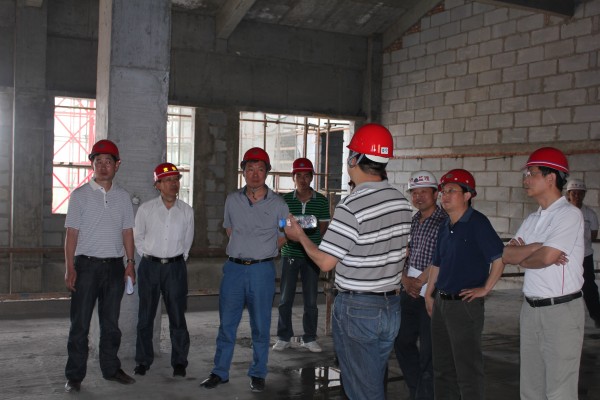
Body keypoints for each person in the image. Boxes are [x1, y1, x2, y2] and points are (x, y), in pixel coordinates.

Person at [284, 123, 412, 400]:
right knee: (372, 379)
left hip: (359, 308)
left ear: (355, 159)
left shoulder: (352, 205)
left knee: (362, 389)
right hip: (391, 306)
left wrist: (299, 236)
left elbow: (326, 262)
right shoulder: (401, 202)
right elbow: (403, 252)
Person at [200, 147, 289, 393]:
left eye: (260, 169)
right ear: (243, 172)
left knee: (260, 325)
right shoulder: (232, 200)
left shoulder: (279, 204)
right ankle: (219, 372)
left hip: (262, 271)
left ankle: (258, 373)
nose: (255, 174)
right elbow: (230, 230)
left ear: (267, 172)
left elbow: (283, 235)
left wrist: (263, 250)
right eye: (250, 169)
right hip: (234, 270)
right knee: (227, 324)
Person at [503, 147, 585, 400]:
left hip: (560, 312)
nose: (526, 179)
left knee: (559, 390)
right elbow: (506, 255)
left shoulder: (569, 215)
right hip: (530, 309)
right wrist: (537, 248)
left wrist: (527, 255)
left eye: (531, 173)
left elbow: (547, 257)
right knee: (531, 388)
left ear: (551, 178)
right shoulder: (532, 219)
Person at [423, 169, 504, 400]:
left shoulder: (477, 223)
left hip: (464, 305)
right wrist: (429, 294)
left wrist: (485, 289)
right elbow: (437, 263)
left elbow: (499, 259)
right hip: (441, 302)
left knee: (467, 369)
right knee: (442, 368)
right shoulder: (444, 225)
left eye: (452, 191)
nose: (445, 196)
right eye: (443, 191)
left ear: (467, 195)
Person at [63, 139, 136, 392]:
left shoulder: (123, 197)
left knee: (111, 324)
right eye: (98, 161)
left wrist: (130, 263)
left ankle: (111, 369)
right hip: (86, 267)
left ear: (117, 165)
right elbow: (71, 234)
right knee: (80, 324)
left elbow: (127, 232)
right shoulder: (80, 196)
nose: (103, 166)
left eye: (108, 161)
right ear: (92, 165)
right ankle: (74, 376)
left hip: (115, 268)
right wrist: (70, 267)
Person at [133, 163, 194, 378]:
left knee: (177, 316)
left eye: (176, 180)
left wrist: (176, 260)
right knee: (146, 317)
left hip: (175, 268)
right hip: (149, 267)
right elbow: (138, 237)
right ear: (157, 185)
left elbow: (187, 242)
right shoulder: (146, 209)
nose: (173, 184)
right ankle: (143, 361)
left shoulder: (186, 211)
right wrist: (149, 256)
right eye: (167, 180)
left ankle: (179, 362)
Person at [394, 171, 447, 400]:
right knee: (401, 341)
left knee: (429, 351)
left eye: (423, 192)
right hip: (409, 292)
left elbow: (442, 257)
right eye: (414, 193)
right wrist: (406, 280)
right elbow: (407, 253)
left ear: (435, 194)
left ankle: (426, 394)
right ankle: (417, 389)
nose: (418, 197)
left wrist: (421, 281)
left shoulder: (445, 222)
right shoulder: (414, 220)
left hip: (431, 294)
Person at [273, 158, 330, 353]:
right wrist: (292, 229)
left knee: (311, 299)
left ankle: (309, 337)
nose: (303, 180)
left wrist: (306, 239)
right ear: (293, 177)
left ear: (312, 177)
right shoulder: (285, 200)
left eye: (307, 176)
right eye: (299, 176)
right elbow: (281, 224)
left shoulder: (321, 200)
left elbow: (323, 226)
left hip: (312, 256)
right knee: (285, 298)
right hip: (289, 253)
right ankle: (283, 337)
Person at [566, 178, 600, 328]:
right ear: (568, 194)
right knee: (565, 286)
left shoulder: (590, 214)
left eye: (580, 193)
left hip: (585, 256)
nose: (577, 196)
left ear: (584, 195)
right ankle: (566, 318)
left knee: (589, 286)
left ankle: (597, 315)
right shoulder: (563, 212)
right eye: (574, 193)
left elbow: (593, 234)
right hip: (565, 256)